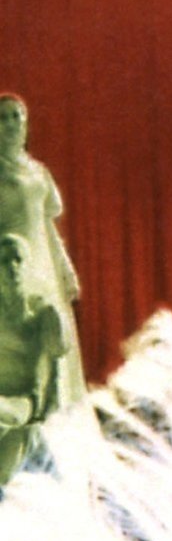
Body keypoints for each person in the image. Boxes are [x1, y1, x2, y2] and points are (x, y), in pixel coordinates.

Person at [0, 94, 83, 406]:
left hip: (42, 262)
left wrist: (65, 268)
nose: (11, 123)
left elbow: (47, 225)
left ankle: (54, 407)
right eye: (3, 117)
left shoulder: (38, 171)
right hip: (11, 263)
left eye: (16, 116)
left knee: (52, 330)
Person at [0, 233, 65, 485]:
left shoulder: (43, 313)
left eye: (17, 259)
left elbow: (56, 368)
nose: (12, 267)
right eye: (4, 261)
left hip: (24, 401)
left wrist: (47, 414)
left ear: (27, 265)